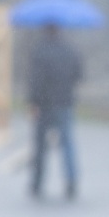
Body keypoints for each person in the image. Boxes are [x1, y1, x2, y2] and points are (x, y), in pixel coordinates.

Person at [26, 24, 82, 200]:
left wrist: (33, 102)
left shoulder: (39, 51)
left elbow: (35, 79)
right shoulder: (70, 50)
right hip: (64, 103)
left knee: (40, 146)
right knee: (67, 145)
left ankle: (37, 183)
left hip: (43, 105)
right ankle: (71, 182)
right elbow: (79, 74)